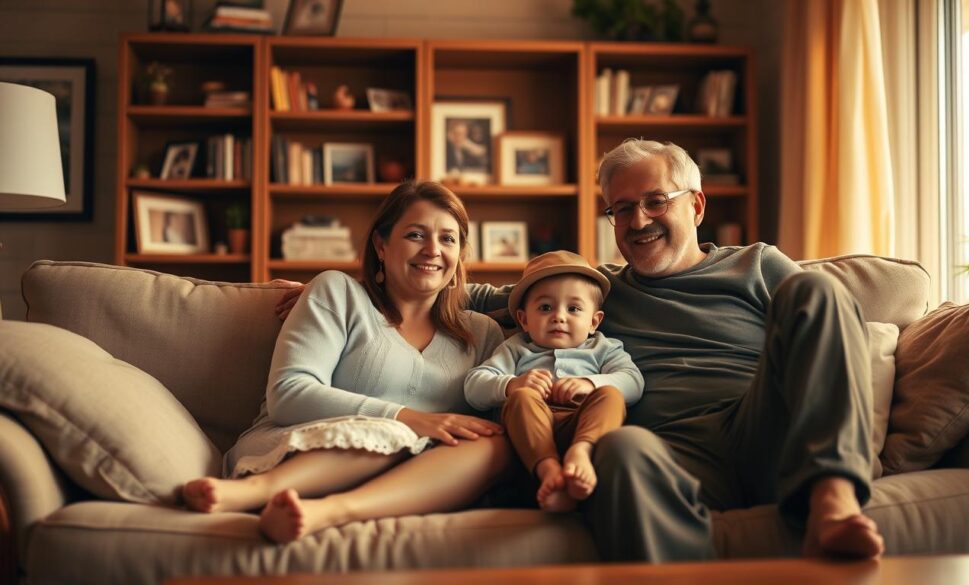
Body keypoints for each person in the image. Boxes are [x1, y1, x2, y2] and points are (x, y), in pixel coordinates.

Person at [275, 139, 884, 562]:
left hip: (760, 424)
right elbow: (478, 290)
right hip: (669, 452)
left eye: (655, 202)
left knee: (817, 289)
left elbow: (826, 333)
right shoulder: (596, 289)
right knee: (617, 448)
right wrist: (356, 286)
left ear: (696, 204)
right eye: (621, 209)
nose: (638, 219)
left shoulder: (758, 265)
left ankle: (831, 499)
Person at [185, 181, 509, 544]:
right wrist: (410, 419)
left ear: (461, 254)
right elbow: (287, 394)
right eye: (416, 234)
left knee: (493, 446)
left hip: (409, 479)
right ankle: (256, 491)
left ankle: (325, 513)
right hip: (301, 453)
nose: (433, 249)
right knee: (393, 433)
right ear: (381, 245)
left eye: (448, 239)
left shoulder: (483, 333)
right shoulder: (337, 292)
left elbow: (559, 300)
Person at [464, 251, 643, 513]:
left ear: (595, 321)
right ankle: (548, 470)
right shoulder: (515, 348)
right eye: (545, 307)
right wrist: (513, 384)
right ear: (524, 320)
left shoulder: (604, 348)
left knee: (611, 395)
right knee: (522, 399)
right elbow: (473, 386)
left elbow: (633, 381)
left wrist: (589, 383)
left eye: (574, 309)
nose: (559, 316)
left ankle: (580, 453)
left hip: (581, 426)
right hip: (529, 436)